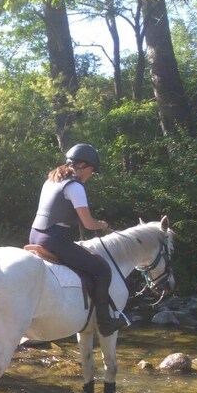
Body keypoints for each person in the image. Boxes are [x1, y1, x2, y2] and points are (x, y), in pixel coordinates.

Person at [29, 144, 128, 336]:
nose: (91, 175)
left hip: (35, 234)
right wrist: (102, 224)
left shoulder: (51, 181)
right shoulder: (74, 186)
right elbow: (89, 224)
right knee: (101, 268)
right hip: (54, 240)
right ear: (83, 165)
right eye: (92, 170)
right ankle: (105, 322)